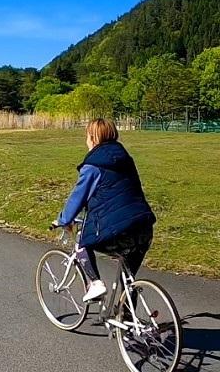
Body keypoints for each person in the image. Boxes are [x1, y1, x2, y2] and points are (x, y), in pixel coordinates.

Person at [53, 119, 156, 302]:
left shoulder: (94, 165)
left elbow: (78, 197)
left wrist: (63, 220)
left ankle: (94, 284)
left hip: (120, 230)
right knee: (129, 279)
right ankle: (126, 322)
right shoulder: (125, 159)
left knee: (81, 243)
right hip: (144, 227)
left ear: (93, 138)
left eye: (87, 136)